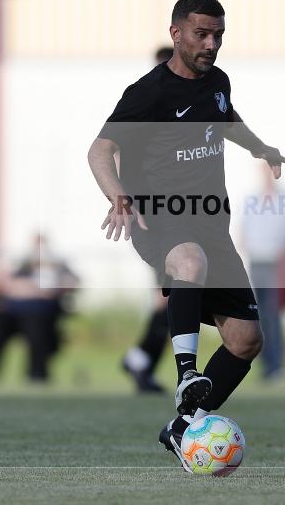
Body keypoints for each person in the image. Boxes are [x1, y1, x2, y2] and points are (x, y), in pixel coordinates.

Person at [87, 0, 285, 471]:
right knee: (188, 261)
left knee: (245, 339)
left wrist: (260, 148)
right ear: (176, 33)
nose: (211, 43)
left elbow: (226, 120)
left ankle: (183, 425)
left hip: (211, 225)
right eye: (202, 33)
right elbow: (99, 151)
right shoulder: (148, 93)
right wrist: (117, 195)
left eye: (218, 34)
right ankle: (185, 375)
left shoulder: (217, 82)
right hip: (158, 218)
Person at [120, 45, 175, 394]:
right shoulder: (146, 107)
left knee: (173, 296)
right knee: (171, 295)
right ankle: (140, 360)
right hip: (154, 215)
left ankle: (140, 360)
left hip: (178, 213)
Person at [0, 234, 78, 383]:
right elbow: (4, 284)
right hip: (12, 311)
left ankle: (36, 373)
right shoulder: (22, 264)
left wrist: (45, 288)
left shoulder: (58, 265)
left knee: (37, 329)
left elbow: (70, 282)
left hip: (40, 311)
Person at [242, 165, 285, 382]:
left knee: (273, 314)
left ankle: (278, 366)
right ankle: (266, 367)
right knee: (258, 316)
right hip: (257, 262)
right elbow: (244, 230)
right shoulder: (253, 199)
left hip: (277, 263)